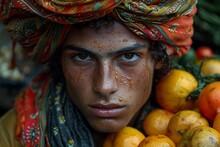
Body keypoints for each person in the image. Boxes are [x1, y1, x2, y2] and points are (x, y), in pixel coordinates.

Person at [0, 0, 197, 146]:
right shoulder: (10, 136)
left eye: (128, 57)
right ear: (59, 60)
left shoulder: (200, 124)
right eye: (82, 57)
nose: (104, 86)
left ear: (159, 60)